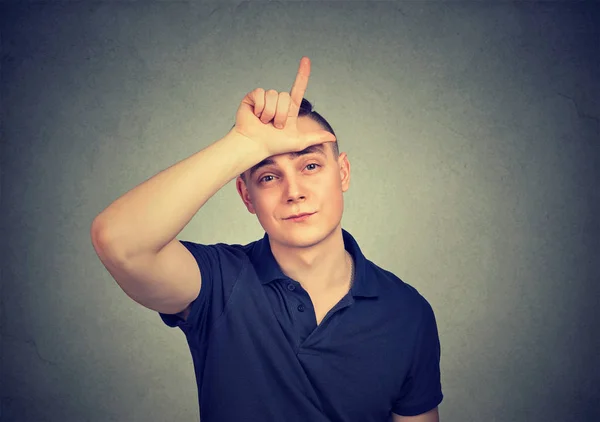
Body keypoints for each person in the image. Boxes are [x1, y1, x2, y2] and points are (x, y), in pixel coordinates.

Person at [91, 56, 443, 422]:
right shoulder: (216, 282)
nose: (294, 192)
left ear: (342, 173)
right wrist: (242, 144)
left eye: (310, 166)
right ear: (246, 196)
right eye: (269, 177)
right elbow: (119, 241)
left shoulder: (407, 311)